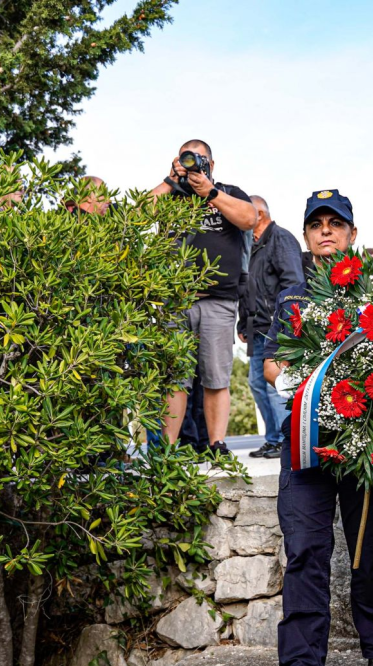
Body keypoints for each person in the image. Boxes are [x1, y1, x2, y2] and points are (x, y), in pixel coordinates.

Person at [262, 190, 373, 666]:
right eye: (316, 224)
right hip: (306, 445)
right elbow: (271, 359)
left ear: (352, 234)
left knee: (368, 550)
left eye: (335, 223)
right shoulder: (291, 298)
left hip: (367, 443)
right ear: (305, 236)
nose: (326, 231)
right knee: (305, 551)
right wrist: (287, 375)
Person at [150, 140, 257, 451]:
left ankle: (217, 444)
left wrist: (210, 192)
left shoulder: (228, 192)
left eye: (201, 159)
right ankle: (168, 450)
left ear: (213, 164)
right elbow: (138, 215)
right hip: (176, 300)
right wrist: (171, 180)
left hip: (219, 299)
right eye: (188, 159)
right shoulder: (172, 196)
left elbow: (249, 218)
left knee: (216, 377)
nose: (195, 164)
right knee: (175, 379)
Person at [240, 195, 303, 459]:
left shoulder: (281, 239)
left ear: (260, 214)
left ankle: (285, 439)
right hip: (256, 328)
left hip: (275, 326)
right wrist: (243, 323)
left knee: (274, 384)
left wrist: (286, 324)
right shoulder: (250, 247)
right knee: (256, 383)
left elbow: (294, 283)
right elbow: (246, 289)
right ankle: (273, 438)